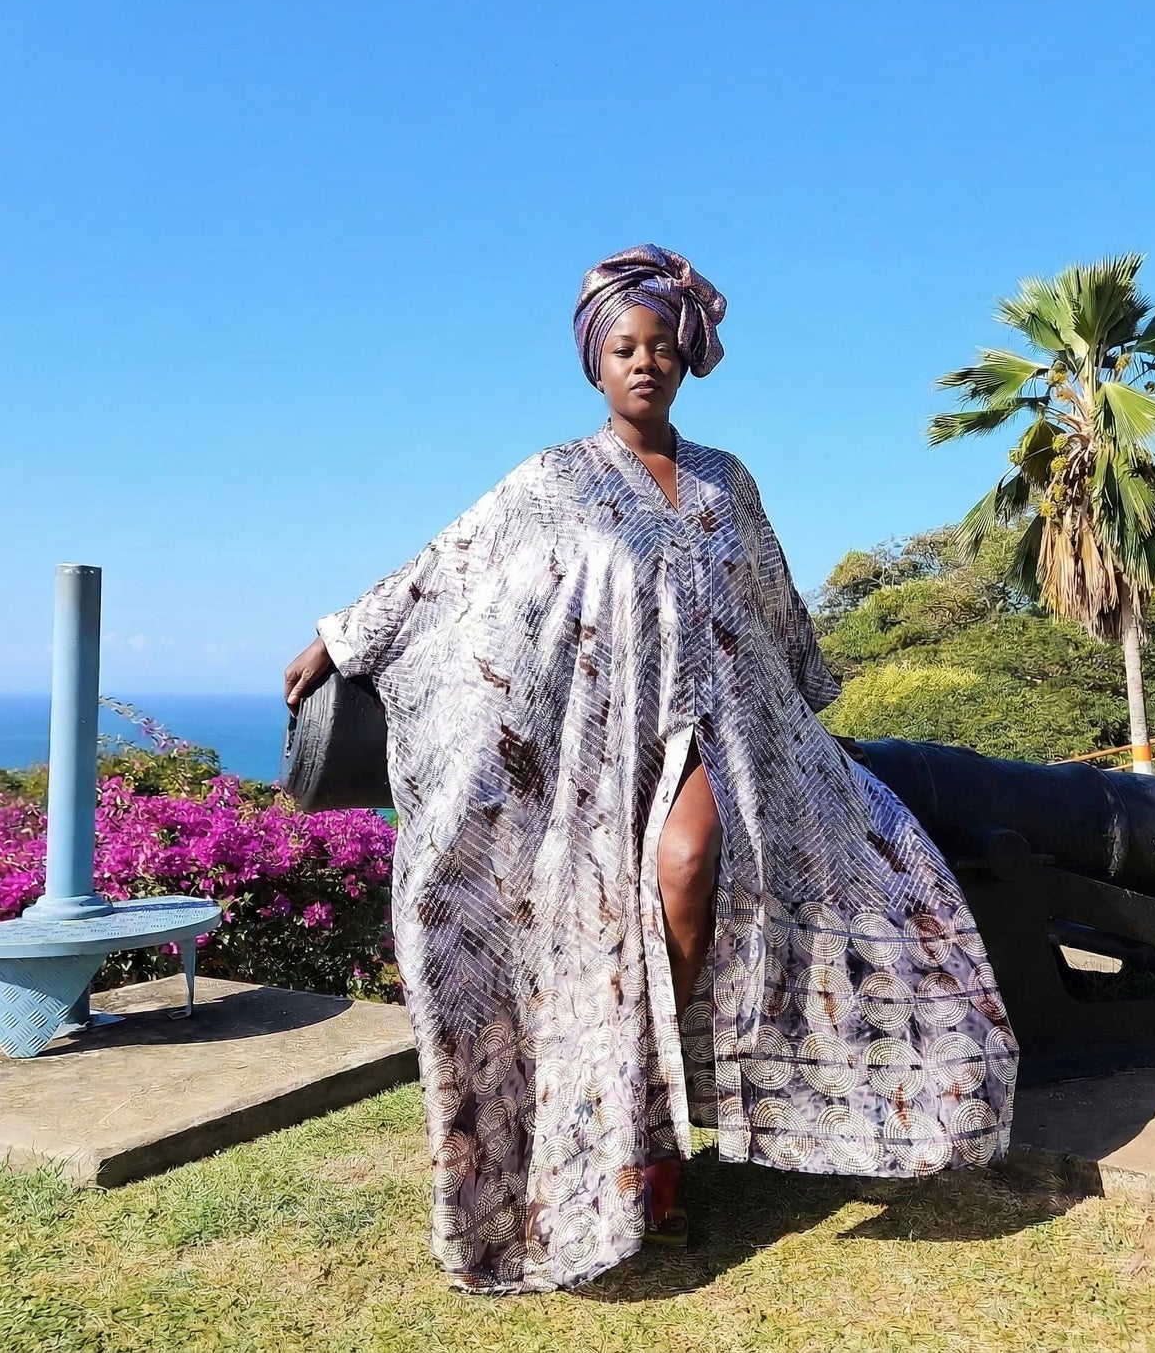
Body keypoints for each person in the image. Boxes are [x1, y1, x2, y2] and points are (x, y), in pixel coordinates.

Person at [283, 244, 1017, 1294]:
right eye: (624, 348)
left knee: (687, 869)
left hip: (731, 732)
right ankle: (641, 1137)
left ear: (689, 360)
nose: (644, 365)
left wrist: (812, 723)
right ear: (593, 360)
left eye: (663, 349)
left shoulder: (726, 479)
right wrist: (340, 638)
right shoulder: (552, 480)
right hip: (600, 740)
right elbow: (449, 564)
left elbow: (770, 610)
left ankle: (659, 1104)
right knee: (595, 928)